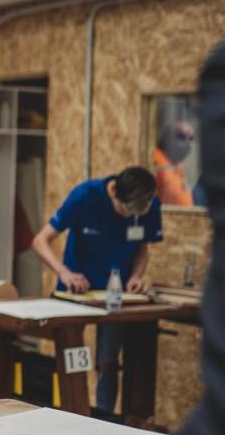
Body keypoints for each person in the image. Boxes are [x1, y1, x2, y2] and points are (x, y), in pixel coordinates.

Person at [32, 166, 163, 417]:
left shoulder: (147, 202)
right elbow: (40, 241)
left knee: (108, 362)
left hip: (114, 294)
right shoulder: (85, 196)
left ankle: (103, 418)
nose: (128, 218)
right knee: (72, 355)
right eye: (125, 211)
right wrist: (63, 272)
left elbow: (142, 248)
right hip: (77, 290)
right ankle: (66, 412)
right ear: (113, 190)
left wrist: (136, 277)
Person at [159, 45, 225, 435]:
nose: (189, 137)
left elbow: (142, 244)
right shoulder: (163, 172)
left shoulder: (181, 176)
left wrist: (140, 270)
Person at [153, 121, 196, 206]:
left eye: (191, 138)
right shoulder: (155, 158)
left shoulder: (178, 164)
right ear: (167, 137)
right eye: (181, 136)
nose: (187, 142)